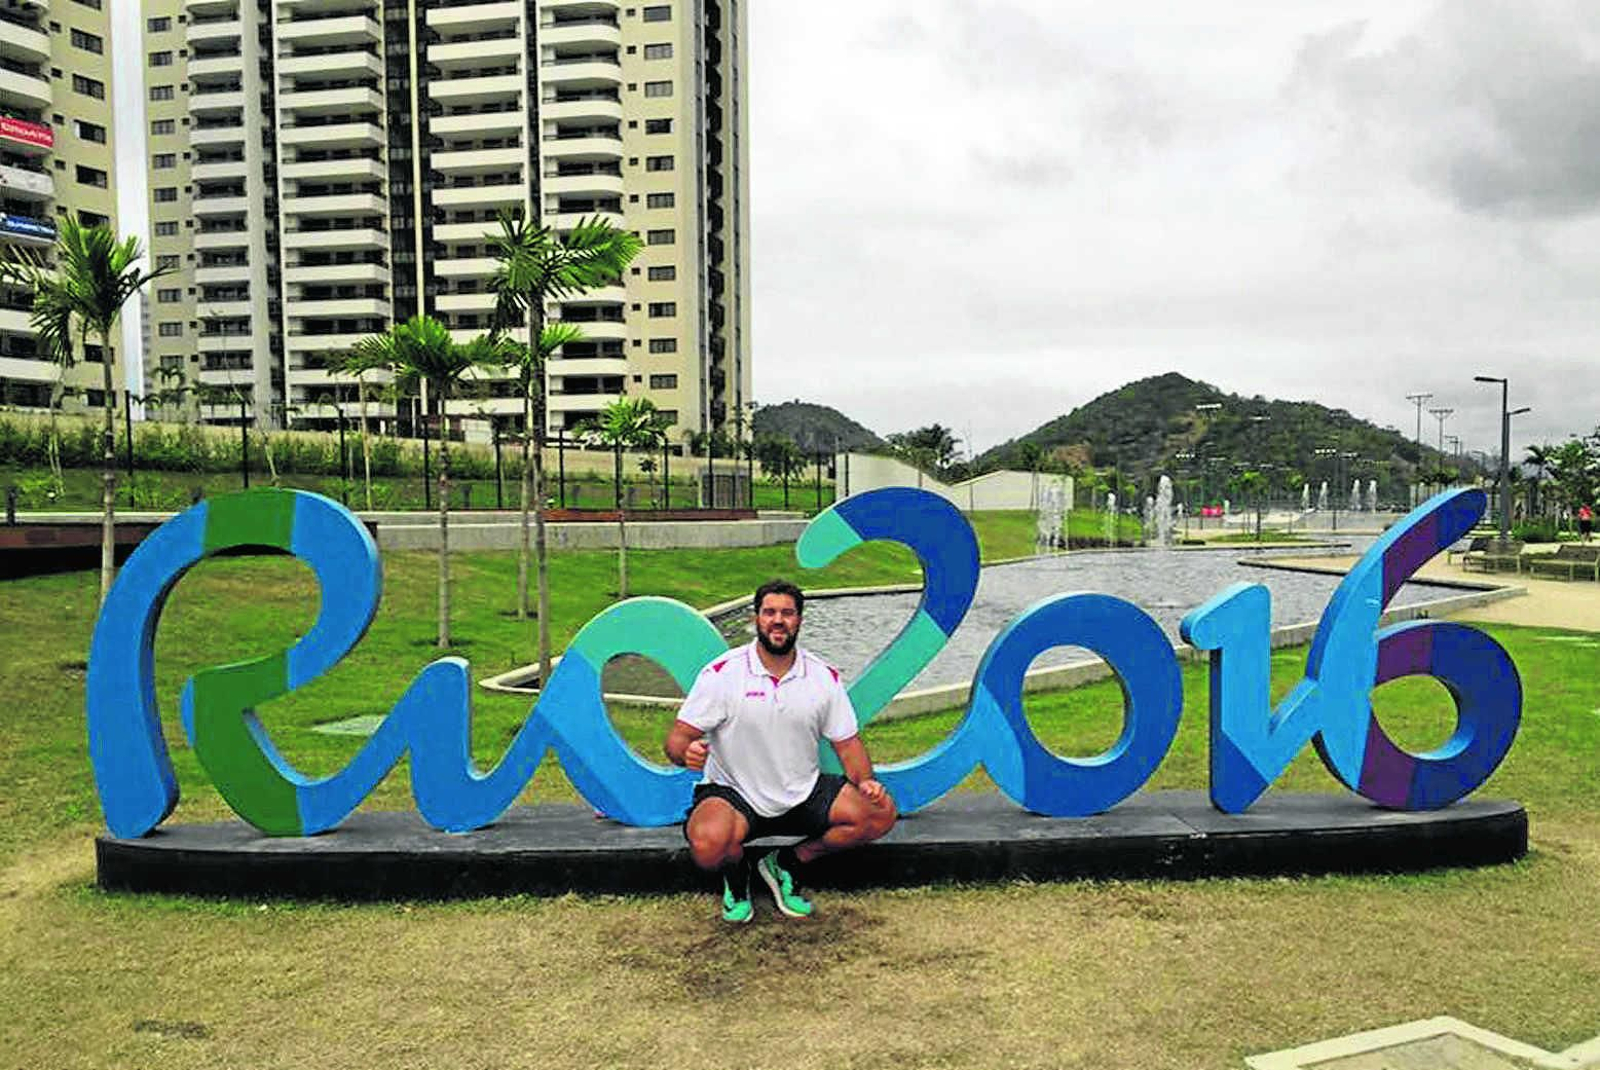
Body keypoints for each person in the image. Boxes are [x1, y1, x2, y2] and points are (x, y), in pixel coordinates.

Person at [664, 579, 897, 922]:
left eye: (787, 613)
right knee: (708, 846)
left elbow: (848, 745)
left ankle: (785, 863)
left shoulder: (822, 677)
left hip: (802, 791)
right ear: (756, 618)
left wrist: (866, 783)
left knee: (881, 814)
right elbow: (676, 739)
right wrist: (685, 754)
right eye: (769, 612)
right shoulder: (722, 674)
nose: (778, 620)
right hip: (735, 794)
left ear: (799, 620)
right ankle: (736, 876)